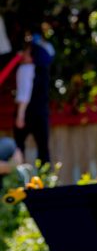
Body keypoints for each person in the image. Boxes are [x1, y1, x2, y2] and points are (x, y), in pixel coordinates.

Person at [14, 30, 55, 166]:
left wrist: (20, 115)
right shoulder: (43, 70)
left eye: (26, 51)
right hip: (41, 112)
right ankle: (45, 180)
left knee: (19, 148)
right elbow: (50, 51)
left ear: (32, 56)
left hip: (27, 112)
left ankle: (17, 178)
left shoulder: (25, 69)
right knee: (43, 149)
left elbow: (24, 94)